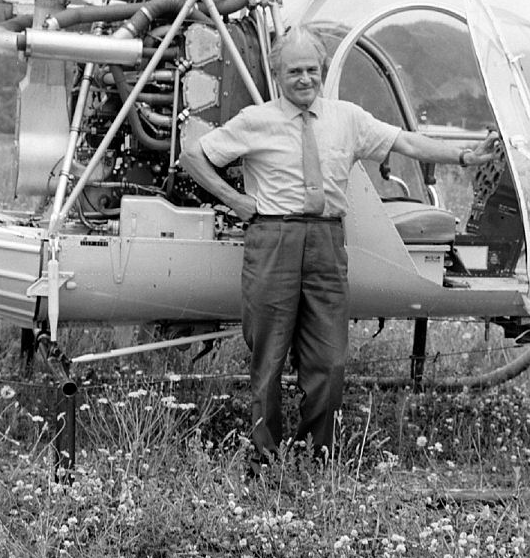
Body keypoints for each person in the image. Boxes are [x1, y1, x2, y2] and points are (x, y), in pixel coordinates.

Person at [179, 25, 498, 467]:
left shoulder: (347, 118)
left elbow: (405, 141)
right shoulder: (256, 120)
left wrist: (463, 156)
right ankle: (266, 458)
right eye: (294, 71)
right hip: (274, 239)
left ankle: (315, 456)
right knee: (268, 357)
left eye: (311, 69)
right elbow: (193, 156)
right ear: (278, 74)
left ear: (323, 70)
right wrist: (236, 201)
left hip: (328, 241)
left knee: (329, 359)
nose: (304, 79)